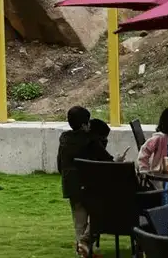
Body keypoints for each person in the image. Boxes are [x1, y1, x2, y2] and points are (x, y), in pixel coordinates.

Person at [58, 106, 114, 257]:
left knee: (79, 221)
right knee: (101, 214)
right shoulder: (91, 141)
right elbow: (108, 162)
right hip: (91, 186)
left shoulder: (64, 139)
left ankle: (82, 250)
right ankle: (85, 241)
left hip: (70, 185)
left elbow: (59, 165)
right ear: (84, 125)